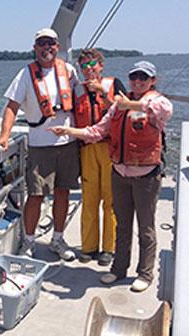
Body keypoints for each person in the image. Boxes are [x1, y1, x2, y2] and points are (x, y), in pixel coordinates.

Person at [48, 61, 173, 291]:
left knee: (145, 227)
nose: (137, 82)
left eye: (143, 78)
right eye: (134, 77)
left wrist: (130, 103)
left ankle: (145, 274)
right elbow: (97, 131)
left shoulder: (155, 102)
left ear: (152, 81)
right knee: (122, 225)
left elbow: (165, 110)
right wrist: (69, 131)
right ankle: (118, 269)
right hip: (120, 173)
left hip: (146, 176)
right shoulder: (117, 108)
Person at [0, 28, 80, 260]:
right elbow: (12, 107)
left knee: (63, 193)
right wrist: (4, 136)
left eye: (51, 43)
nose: (47, 48)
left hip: (68, 144)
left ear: (57, 47)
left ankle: (57, 240)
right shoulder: (25, 74)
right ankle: (29, 242)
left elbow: (82, 102)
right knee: (35, 195)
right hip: (40, 146)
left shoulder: (69, 71)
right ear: (35, 49)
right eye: (41, 44)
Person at [73, 49, 126, 266]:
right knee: (90, 199)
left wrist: (103, 94)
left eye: (92, 64)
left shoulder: (114, 85)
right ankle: (89, 246)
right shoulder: (76, 90)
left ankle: (109, 248)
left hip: (109, 149)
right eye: (84, 66)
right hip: (87, 149)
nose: (89, 69)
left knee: (111, 199)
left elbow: (124, 109)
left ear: (101, 65)